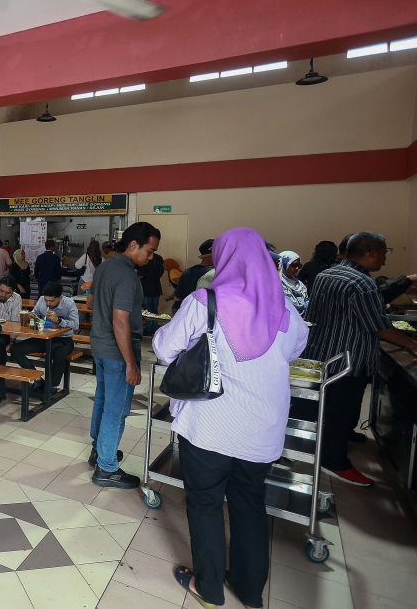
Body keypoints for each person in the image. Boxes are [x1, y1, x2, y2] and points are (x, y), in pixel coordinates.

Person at [152, 228, 309, 609]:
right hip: (262, 429)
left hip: (209, 424)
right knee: (249, 505)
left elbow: (162, 347)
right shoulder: (285, 310)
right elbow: (294, 351)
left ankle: (208, 588)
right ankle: (249, 589)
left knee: (205, 503)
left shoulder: (204, 301)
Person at [304, 232, 417, 486]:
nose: (384, 260)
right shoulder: (362, 283)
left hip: (323, 353)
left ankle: (339, 436)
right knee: (343, 409)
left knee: (332, 407)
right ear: (371, 253)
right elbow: (379, 327)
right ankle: (335, 462)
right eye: (384, 253)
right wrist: (414, 346)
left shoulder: (327, 274)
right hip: (349, 359)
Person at [87, 221, 161, 489]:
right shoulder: (128, 276)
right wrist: (131, 363)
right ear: (133, 245)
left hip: (99, 346)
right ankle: (106, 468)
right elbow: (120, 321)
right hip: (118, 352)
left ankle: (99, 451)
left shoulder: (105, 266)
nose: (150, 257)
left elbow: (91, 302)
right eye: (149, 251)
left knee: (103, 401)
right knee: (116, 411)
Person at [11, 281, 79, 398]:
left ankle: (52, 386)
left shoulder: (69, 303)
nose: (48, 303)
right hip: (43, 337)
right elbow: (35, 313)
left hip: (63, 339)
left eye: (52, 301)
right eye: (46, 300)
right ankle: (37, 379)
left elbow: (76, 325)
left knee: (59, 355)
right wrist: (30, 316)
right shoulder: (42, 299)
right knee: (16, 349)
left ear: (60, 297)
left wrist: (59, 320)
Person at [173, 239, 214, 312]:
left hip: (184, 311)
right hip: (201, 314)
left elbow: (177, 298)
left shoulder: (187, 272)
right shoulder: (213, 273)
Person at [139, 250, 165, 334]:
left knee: (147, 311)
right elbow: (161, 273)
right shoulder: (159, 258)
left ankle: (148, 329)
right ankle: (154, 328)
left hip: (146, 287)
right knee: (155, 309)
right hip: (156, 287)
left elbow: (140, 275)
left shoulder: (144, 258)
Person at [278, 251, 309, 315]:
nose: (297, 268)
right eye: (294, 265)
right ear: (283, 264)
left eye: (299, 266)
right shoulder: (277, 285)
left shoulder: (299, 284)